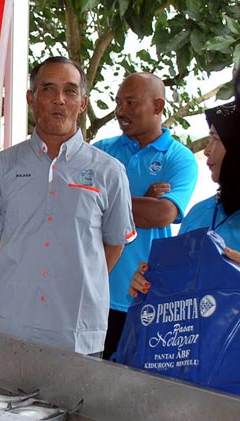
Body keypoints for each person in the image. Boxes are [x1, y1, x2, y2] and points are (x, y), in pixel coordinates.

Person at [0, 56, 136, 356]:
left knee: (78, 403)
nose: (59, 100)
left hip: (78, 326)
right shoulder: (2, 165)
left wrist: (77, 274)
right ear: (30, 99)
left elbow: (114, 244)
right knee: (6, 402)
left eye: (70, 91)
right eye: (47, 89)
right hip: (13, 321)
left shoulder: (109, 171)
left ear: (83, 102)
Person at [93, 73, 198, 360]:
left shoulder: (180, 158)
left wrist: (106, 202)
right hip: (93, 291)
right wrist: (144, 201)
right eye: (118, 103)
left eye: (130, 102)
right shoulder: (102, 151)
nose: (120, 111)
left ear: (158, 106)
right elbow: (77, 203)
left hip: (143, 299)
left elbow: (162, 215)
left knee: (129, 385)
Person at [130, 92, 240, 296]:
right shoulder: (200, 212)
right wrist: (148, 284)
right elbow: (175, 285)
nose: (206, 151)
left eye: (215, 138)